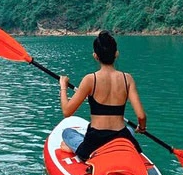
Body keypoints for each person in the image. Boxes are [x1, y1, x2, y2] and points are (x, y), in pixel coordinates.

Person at [59, 30, 147, 160]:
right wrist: (142, 127)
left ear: (95, 56)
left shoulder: (90, 80)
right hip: (120, 137)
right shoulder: (127, 79)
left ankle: (77, 149)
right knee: (129, 130)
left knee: (67, 133)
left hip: (96, 142)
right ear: (116, 54)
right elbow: (141, 116)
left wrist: (63, 87)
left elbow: (67, 112)